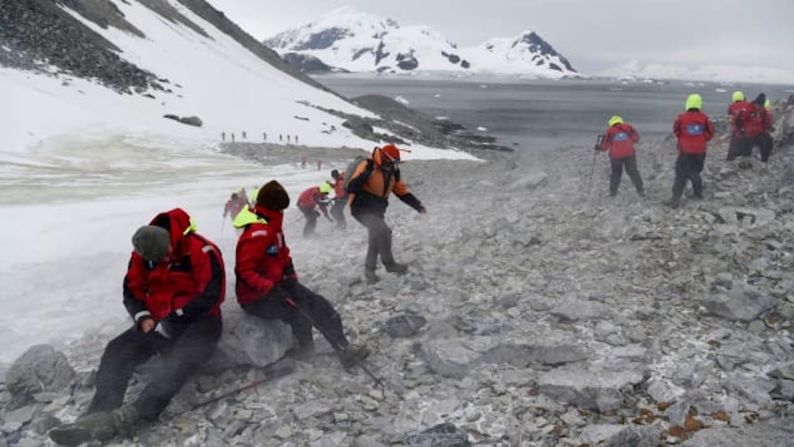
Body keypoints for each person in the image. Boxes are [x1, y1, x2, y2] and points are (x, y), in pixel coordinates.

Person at [49, 209, 225, 446]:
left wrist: (175, 317)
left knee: (179, 363)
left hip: (200, 322)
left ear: (171, 241)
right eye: (158, 260)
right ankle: (97, 415)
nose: (164, 261)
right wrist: (143, 318)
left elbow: (213, 295)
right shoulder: (142, 254)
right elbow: (132, 291)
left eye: (166, 255)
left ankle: (136, 414)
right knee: (117, 350)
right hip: (157, 322)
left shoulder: (202, 250)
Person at [235, 181, 369, 366]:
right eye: (280, 208)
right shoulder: (258, 233)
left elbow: (282, 254)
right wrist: (269, 288)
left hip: (279, 284)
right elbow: (244, 271)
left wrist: (290, 276)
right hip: (255, 297)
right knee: (300, 315)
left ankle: (344, 349)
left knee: (321, 306)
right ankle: (307, 353)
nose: (282, 212)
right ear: (273, 206)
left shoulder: (272, 226)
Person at [347, 144, 426, 283]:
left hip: (377, 210)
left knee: (377, 236)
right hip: (361, 208)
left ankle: (374, 269)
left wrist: (417, 205)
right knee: (382, 232)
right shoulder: (368, 165)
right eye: (391, 161)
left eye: (395, 162)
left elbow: (401, 192)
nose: (393, 164)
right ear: (384, 156)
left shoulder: (392, 172)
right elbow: (351, 187)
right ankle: (385, 266)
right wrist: (364, 175)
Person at [670, 94, 715, 208]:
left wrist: (684, 138)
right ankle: (697, 195)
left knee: (680, 175)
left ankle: (675, 200)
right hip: (700, 152)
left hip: (685, 151)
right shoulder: (705, 118)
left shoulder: (681, 117)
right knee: (695, 172)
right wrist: (701, 139)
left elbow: (676, 130)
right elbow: (711, 133)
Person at [598, 115, 644, 197]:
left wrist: (599, 147)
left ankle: (613, 194)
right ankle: (640, 190)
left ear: (611, 123)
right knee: (633, 172)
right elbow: (636, 139)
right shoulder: (629, 128)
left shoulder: (610, 130)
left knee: (616, 174)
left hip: (616, 156)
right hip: (630, 154)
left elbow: (605, 146)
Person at [734, 93, 774, 162]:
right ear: (756, 103)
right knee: (745, 152)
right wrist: (742, 131)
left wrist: (768, 128)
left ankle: (764, 161)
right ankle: (743, 162)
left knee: (768, 141)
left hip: (756, 133)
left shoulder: (761, 111)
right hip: (746, 135)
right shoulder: (747, 109)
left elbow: (764, 121)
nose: (760, 107)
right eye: (759, 105)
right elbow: (738, 121)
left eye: (761, 106)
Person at [726, 91, 752, 160]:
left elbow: (729, 113)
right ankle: (747, 158)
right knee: (747, 146)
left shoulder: (732, 106)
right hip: (748, 130)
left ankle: (730, 159)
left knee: (733, 146)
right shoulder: (749, 104)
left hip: (737, 130)